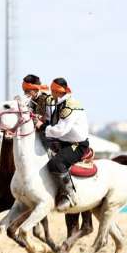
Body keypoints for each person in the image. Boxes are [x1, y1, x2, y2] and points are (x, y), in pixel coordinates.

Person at [34, 78, 89, 212]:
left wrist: (41, 127)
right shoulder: (60, 103)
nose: (50, 94)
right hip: (62, 141)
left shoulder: (69, 106)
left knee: (55, 163)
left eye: (52, 91)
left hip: (77, 145)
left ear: (56, 91)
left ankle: (70, 194)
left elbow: (60, 130)